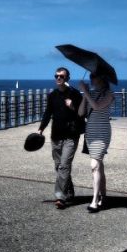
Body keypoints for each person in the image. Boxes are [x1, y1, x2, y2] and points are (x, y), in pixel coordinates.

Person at [38, 67, 83, 209]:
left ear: (67, 79)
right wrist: (40, 129)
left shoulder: (75, 94)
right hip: (56, 135)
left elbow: (83, 113)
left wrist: (73, 107)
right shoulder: (52, 95)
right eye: (56, 76)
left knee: (64, 165)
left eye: (61, 76)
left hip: (71, 135)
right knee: (59, 166)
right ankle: (69, 192)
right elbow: (47, 113)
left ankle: (60, 196)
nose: (58, 78)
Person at [78, 74, 114, 213]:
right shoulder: (90, 93)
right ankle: (103, 196)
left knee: (94, 165)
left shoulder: (109, 94)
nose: (92, 79)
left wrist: (85, 92)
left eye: (95, 76)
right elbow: (81, 112)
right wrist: (84, 95)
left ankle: (94, 201)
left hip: (102, 134)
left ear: (102, 79)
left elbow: (97, 107)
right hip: (90, 133)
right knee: (99, 166)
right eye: (91, 76)